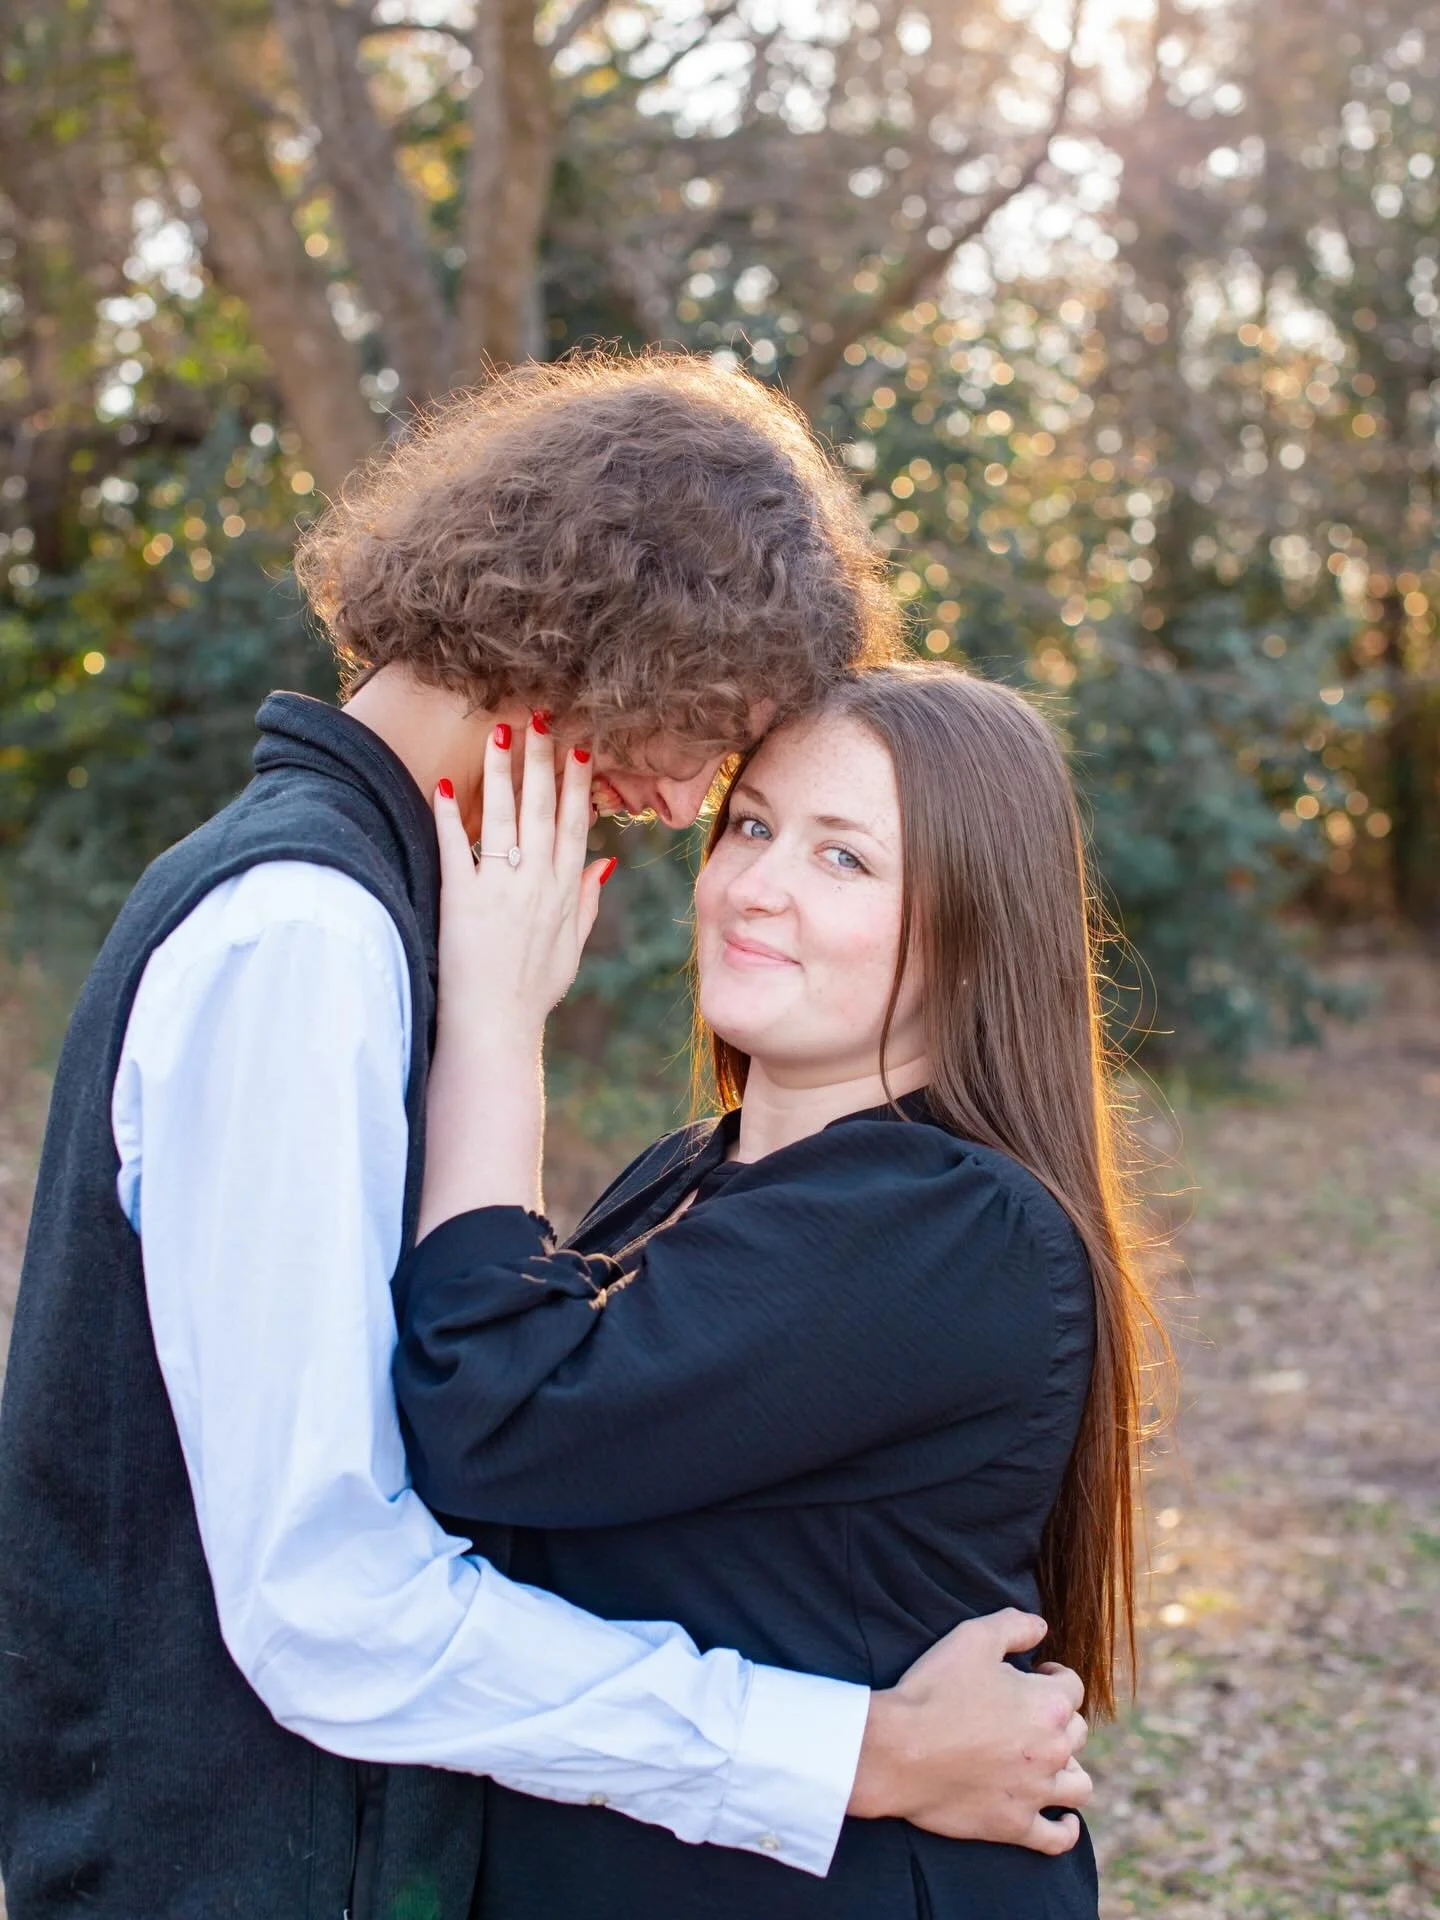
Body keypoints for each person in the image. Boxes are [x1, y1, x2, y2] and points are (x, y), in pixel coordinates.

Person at [0, 357, 1090, 1920]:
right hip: (232, 1865)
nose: (672, 803)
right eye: (710, 743)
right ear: (598, 634)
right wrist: (844, 1751)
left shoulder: (362, 923)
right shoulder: (301, 938)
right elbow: (329, 1591)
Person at [392, 661, 1166, 1918]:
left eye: (843, 859)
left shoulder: (947, 1224)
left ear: (975, 932)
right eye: (751, 826)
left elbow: (485, 1414)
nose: (756, 886)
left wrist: (494, 1015)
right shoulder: (684, 1177)